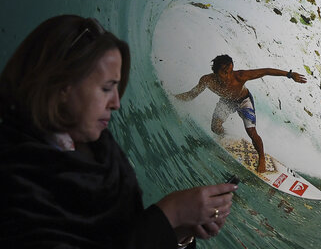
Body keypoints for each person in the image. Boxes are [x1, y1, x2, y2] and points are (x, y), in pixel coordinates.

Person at [0, 15, 238, 248]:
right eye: (106, 88)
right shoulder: (16, 176)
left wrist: (179, 233)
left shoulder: (99, 149)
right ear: (60, 85)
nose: (116, 102)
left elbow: (125, 233)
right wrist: (170, 214)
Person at [174, 55, 306, 173]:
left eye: (230, 71)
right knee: (215, 128)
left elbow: (266, 71)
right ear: (215, 71)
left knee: (252, 132)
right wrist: (173, 97)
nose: (228, 76)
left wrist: (290, 74)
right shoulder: (207, 80)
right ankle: (227, 136)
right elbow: (192, 94)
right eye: (224, 72)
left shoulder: (240, 76)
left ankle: (262, 158)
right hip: (227, 101)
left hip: (244, 102)